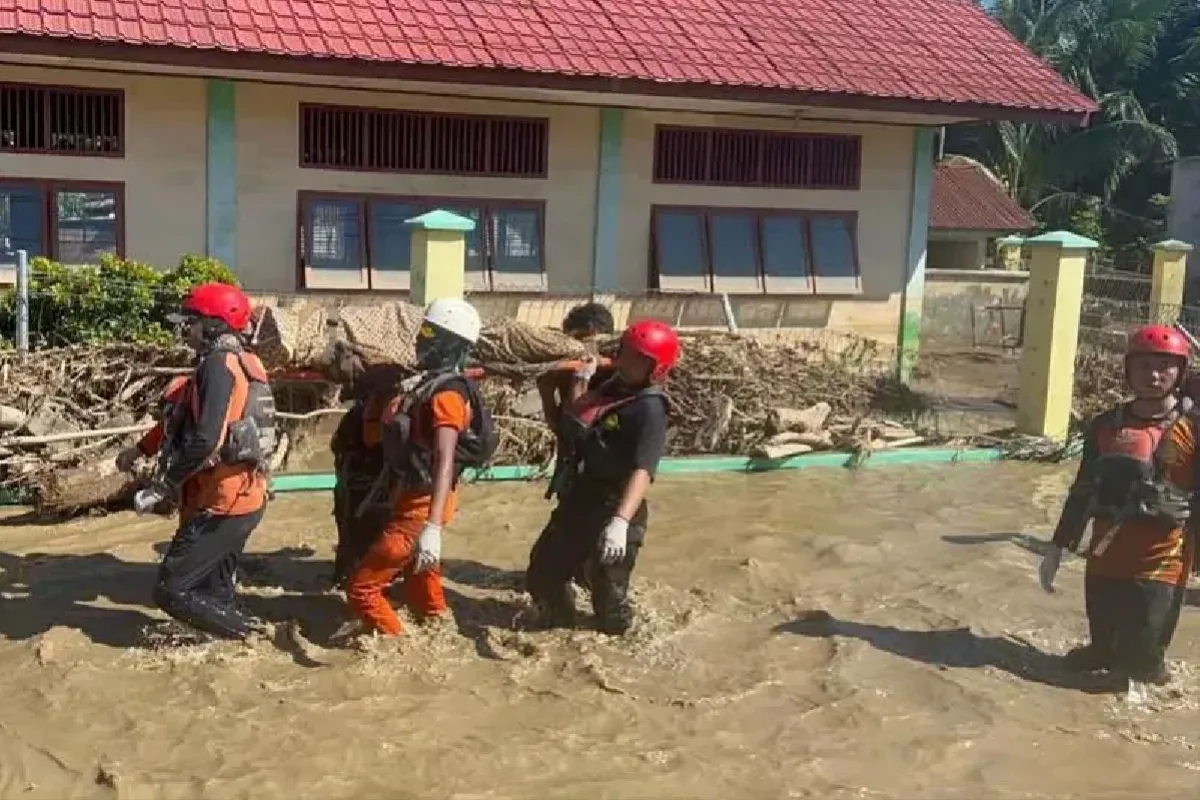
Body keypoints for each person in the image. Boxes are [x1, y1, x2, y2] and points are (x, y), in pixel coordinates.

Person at [1040, 324, 1197, 686]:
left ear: (1181, 373)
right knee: (1104, 641)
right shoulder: (1104, 426)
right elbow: (1083, 490)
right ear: (1128, 369)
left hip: (1162, 556)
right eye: (1144, 366)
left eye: (1164, 366)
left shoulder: (1194, 427)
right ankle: (1101, 653)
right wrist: (1057, 547)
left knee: (1144, 665)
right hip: (1106, 550)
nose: (1153, 375)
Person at [133, 282, 276, 641]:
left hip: (225, 500)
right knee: (213, 590)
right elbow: (182, 421)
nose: (186, 329)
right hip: (246, 495)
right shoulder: (244, 361)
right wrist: (140, 450)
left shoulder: (217, 365)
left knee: (171, 590)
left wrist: (161, 486)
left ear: (214, 324)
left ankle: (251, 638)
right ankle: (234, 642)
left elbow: (206, 439)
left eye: (192, 321)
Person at [345, 298, 496, 636]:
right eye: (423, 331)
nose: (420, 340)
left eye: (430, 334)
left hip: (422, 508)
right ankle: (439, 631)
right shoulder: (425, 384)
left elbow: (444, 458)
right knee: (419, 577)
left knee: (362, 590)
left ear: (450, 344)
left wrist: (432, 528)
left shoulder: (447, 396)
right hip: (412, 498)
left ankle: (399, 648)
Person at [525, 319, 680, 635]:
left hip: (616, 506)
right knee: (543, 573)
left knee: (609, 600)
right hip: (581, 499)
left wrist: (620, 523)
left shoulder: (650, 409)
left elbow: (643, 470)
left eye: (639, 360)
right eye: (627, 353)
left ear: (656, 369)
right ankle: (559, 629)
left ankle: (619, 637)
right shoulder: (610, 385)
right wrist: (576, 380)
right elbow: (572, 426)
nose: (628, 362)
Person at [329, 368, 401, 588]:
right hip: (367, 488)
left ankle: (347, 578)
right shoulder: (378, 414)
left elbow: (337, 446)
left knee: (351, 538)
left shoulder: (358, 414)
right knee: (364, 539)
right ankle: (361, 582)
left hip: (352, 486)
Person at [536, 302, 616, 430]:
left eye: (574, 339)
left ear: (591, 330)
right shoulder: (571, 370)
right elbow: (559, 427)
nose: (568, 348)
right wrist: (547, 394)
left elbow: (576, 426)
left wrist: (581, 378)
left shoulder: (616, 375)